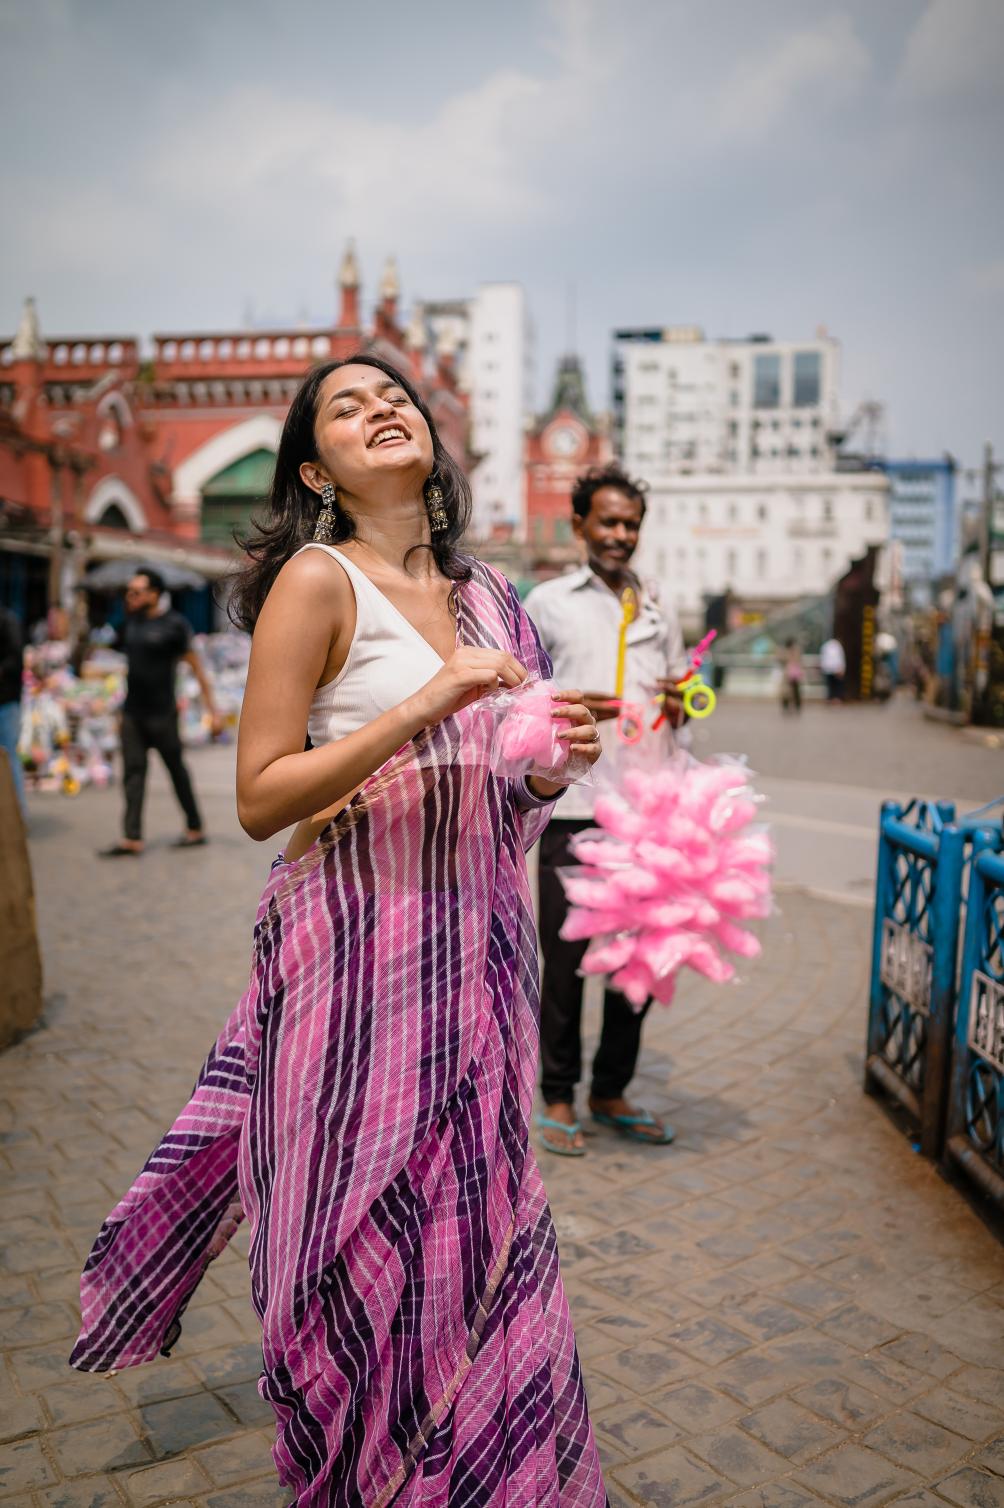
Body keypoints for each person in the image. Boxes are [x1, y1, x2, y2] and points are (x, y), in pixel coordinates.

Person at [70, 356, 607, 1505]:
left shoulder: (491, 599)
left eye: (394, 395)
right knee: (357, 1261)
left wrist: (552, 769)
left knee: (482, 1252)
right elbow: (262, 792)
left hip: (479, 958)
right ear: (316, 468)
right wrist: (426, 702)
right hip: (355, 962)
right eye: (349, 407)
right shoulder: (318, 582)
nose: (384, 409)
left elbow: (500, 799)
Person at [524, 464, 688, 1157]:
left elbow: (679, 694)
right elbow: (516, 698)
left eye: (631, 524)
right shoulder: (548, 602)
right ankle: (558, 1094)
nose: (620, 535)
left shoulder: (657, 608)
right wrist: (567, 706)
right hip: (574, 808)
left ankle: (611, 1089)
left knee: (637, 964)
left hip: (647, 812)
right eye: (609, 521)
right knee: (564, 963)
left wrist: (681, 703)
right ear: (581, 525)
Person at [97, 568, 222, 856]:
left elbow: (198, 670)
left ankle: (195, 827)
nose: (131, 596)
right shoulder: (129, 624)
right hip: (132, 714)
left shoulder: (175, 625)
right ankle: (132, 837)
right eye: (128, 592)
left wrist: (213, 711)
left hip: (162, 714)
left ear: (155, 594)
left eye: (137, 591)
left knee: (177, 771)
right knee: (133, 774)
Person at [0, 604, 26, 819]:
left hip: (6, 702)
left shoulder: (8, 620)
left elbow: (16, 659)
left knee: (8, 758)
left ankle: (17, 817)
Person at [779, 637, 804, 713]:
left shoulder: (794, 651)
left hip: (792, 673)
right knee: (788, 691)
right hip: (790, 673)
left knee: (793, 691)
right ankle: (789, 706)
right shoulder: (788, 651)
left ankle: (795, 706)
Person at [820, 633, 846, 703]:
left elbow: (823, 658)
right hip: (835, 668)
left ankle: (831, 698)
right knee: (836, 685)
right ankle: (836, 698)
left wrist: (824, 667)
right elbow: (840, 658)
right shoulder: (838, 646)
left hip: (828, 668)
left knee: (830, 685)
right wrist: (841, 668)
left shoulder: (825, 645)